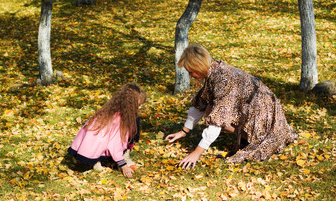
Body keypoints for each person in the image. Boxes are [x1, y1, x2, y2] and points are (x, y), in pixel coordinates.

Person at [165, 44, 298, 169]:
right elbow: (200, 103)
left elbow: (217, 121)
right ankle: (247, 135)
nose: (190, 76)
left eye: (191, 72)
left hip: (265, 116)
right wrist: (183, 132)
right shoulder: (213, 72)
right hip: (253, 110)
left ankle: (255, 137)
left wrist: (197, 152)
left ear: (199, 66)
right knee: (210, 108)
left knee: (213, 113)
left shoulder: (223, 80)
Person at [68, 83, 146, 178]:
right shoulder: (117, 119)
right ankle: (95, 160)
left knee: (135, 121)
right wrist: (122, 164)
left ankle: (118, 155)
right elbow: (114, 143)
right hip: (93, 142)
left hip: (94, 139)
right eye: (138, 105)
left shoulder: (115, 109)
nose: (140, 108)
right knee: (104, 142)